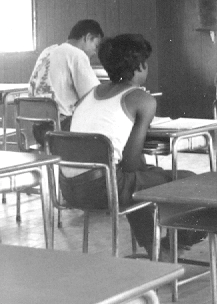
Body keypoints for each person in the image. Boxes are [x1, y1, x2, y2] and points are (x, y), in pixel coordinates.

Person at [61, 34, 206, 255]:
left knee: (137, 180)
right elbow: (129, 163)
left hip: (69, 190)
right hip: (105, 189)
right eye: (146, 63)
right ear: (139, 66)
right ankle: (177, 241)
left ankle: (155, 249)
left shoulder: (89, 95)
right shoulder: (142, 100)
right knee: (189, 179)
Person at [28, 19, 104, 144]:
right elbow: (95, 96)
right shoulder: (76, 54)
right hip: (61, 130)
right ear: (88, 37)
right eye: (95, 45)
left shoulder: (47, 51)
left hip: (38, 129)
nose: (95, 52)